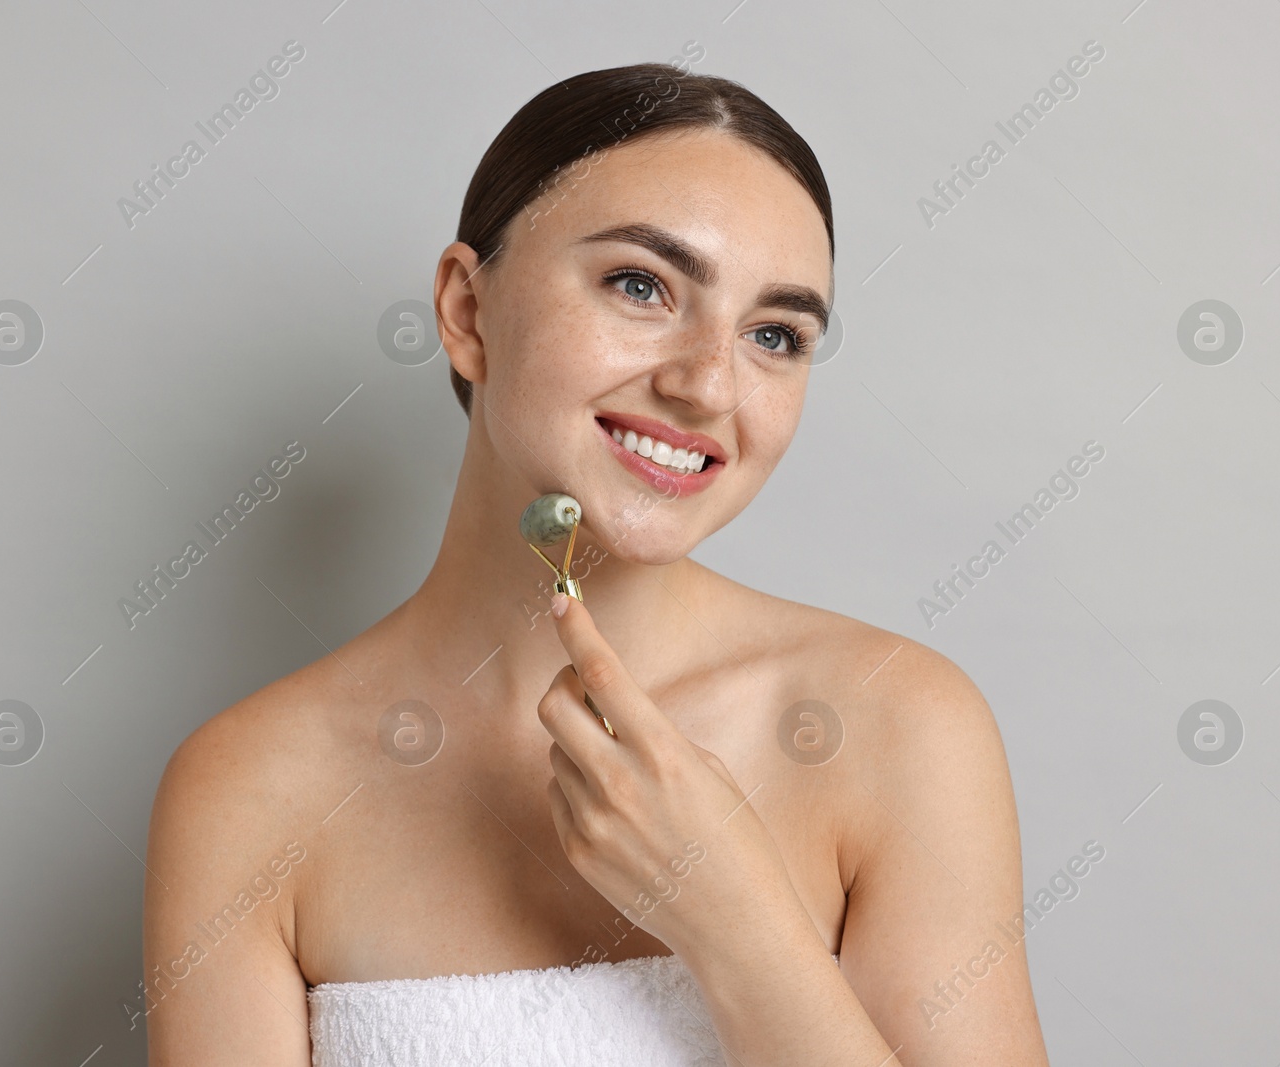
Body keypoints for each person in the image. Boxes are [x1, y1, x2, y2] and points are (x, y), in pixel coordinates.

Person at [142, 62, 1049, 1066]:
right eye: (639, 285)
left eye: (774, 334)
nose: (708, 383)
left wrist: (735, 918)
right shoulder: (249, 787)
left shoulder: (899, 725)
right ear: (465, 310)